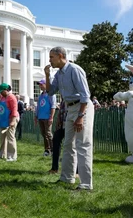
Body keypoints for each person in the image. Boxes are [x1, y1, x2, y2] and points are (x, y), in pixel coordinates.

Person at [45, 46, 94, 191]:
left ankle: (86, 184)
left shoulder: (74, 69)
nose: (49, 61)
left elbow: (85, 95)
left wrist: (80, 116)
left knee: (83, 145)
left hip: (82, 108)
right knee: (68, 145)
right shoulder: (59, 74)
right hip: (70, 108)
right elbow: (50, 91)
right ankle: (67, 178)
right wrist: (47, 75)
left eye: (51, 57)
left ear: (60, 56)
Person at [0, 83, 19, 162]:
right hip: (3, 120)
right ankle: (2, 153)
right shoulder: (2, 98)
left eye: (1, 91)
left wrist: (13, 121)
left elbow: (14, 110)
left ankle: (12, 156)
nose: (0, 93)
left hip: (10, 119)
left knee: (10, 137)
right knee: (2, 137)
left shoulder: (12, 97)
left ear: (6, 90)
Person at [35, 79, 56, 156]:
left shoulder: (51, 94)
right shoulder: (41, 96)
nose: (40, 86)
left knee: (48, 133)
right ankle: (47, 150)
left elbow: (53, 106)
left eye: (41, 84)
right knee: (44, 134)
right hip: (41, 117)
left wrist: (51, 117)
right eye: (39, 85)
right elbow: (38, 107)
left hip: (47, 117)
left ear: (45, 85)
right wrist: (36, 116)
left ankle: (53, 149)